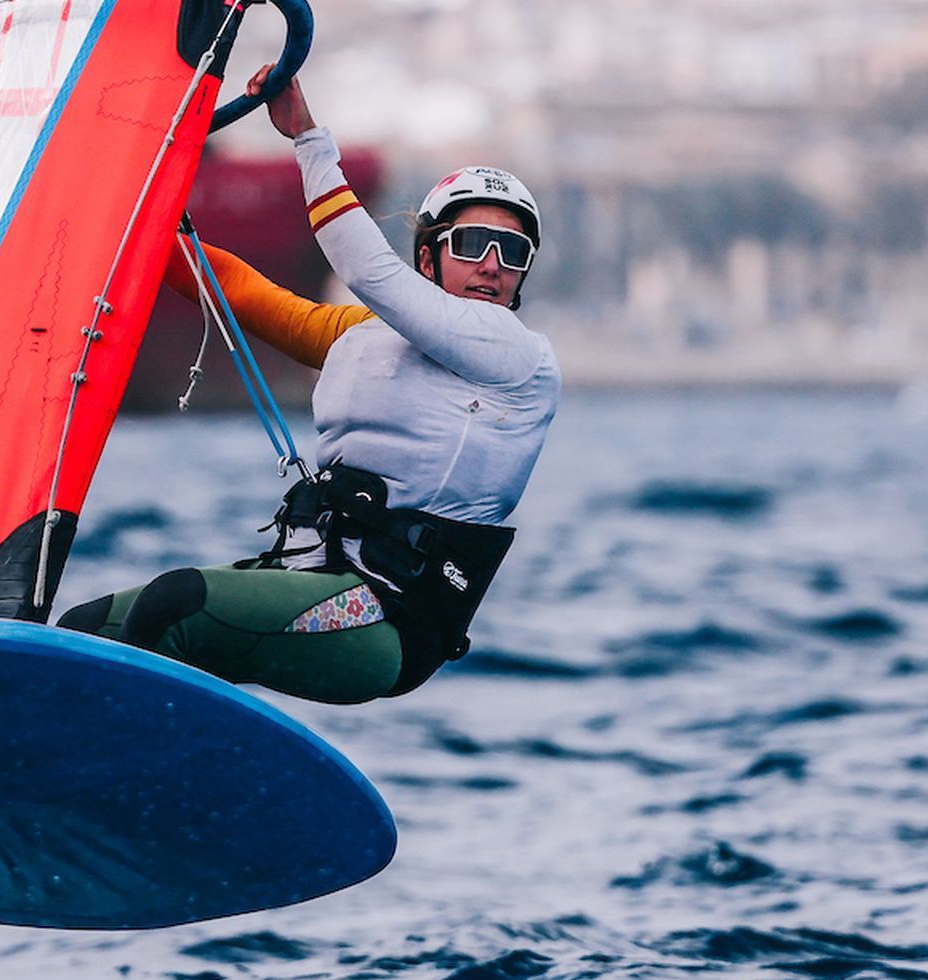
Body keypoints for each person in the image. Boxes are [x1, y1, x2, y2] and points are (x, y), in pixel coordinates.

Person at [56, 69, 561, 705]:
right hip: (310, 579)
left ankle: (129, 780)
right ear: (428, 259)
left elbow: (364, 266)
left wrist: (306, 137)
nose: (493, 264)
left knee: (174, 606)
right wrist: (122, 222)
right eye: (473, 244)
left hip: (386, 620)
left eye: (512, 253)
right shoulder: (368, 335)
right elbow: (241, 292)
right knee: (83, 628)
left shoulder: (517, 355)